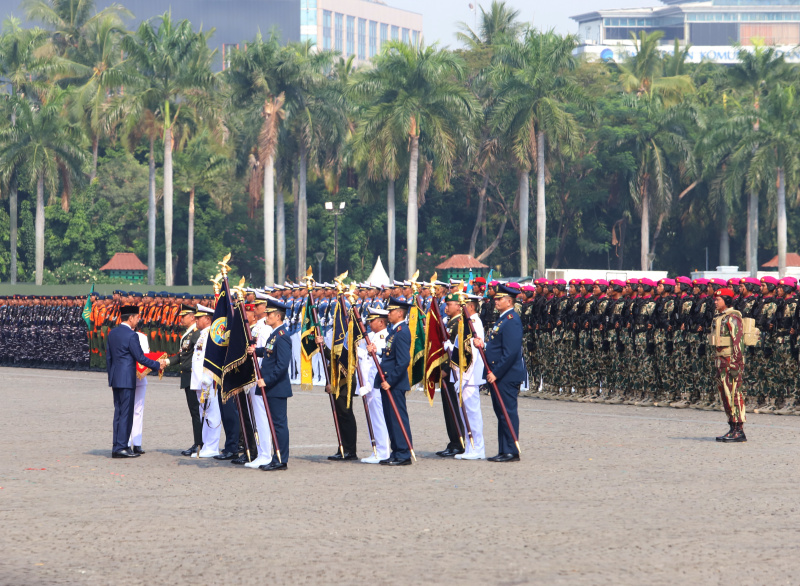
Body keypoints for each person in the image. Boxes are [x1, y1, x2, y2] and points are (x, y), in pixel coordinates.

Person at [474, 283, 524, 462]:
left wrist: (496, 372)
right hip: (498, 373)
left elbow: (510, 352)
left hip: (506, 375)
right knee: (500, 412)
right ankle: (504, 449)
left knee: (507, 411)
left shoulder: (511, 320)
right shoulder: (503, 319)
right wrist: (484, 345)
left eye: (499, 299)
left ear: (509, 301)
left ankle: (511, 450)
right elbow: (497, 347)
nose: (496, 301)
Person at [106, 305, 164, 458]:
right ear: (130, 318)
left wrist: (111, 377)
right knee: (126, 413)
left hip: (116, 378)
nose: (138, 320)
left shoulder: (112, 333)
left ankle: (116, 445)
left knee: (118, 413)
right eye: (137, 317)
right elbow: (140, 357)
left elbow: (109, 358)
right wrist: (158, 364)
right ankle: (122, 447)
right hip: (127, 379)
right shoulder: (132, 335)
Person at [365, 296, 413, 466]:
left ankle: (403, 454)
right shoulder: (395, 331)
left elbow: (403, 361)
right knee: (390, 419)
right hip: (388, 382)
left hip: (395, 383)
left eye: (391, 311)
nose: (389, 314)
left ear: (400, 313)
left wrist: (390, 381)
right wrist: (377, 352)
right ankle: (396, 451)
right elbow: (390, 354)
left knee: (398, 417)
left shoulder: (402, 332)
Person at [250, 297, 293, 471]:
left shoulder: (282, 336)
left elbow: (282, 365)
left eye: (269, 314)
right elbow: (269, 353)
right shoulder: (275, 334)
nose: (266, 316)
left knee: (278, 424)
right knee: (274, 423)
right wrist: (256, 351)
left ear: (277, 316)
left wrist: (266, 380)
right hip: (271, 386)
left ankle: (281, 459)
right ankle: (276, 457)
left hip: (276, 387)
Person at [166, 304, 204, 456]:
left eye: (184, 316)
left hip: (194, 377)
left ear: (192, 317)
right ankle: (199, 442)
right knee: (195, 412)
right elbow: (182, 355)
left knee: (197, 412)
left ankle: (199, 443)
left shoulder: (196, 334)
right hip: (188, 377)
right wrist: (166, 362)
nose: (181, 319)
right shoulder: (189, 334)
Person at [710, 288, 747, 442]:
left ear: (726, 300)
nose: (715, 302)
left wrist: (736, 364)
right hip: (721, 361)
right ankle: (732, 427)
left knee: (734, 395)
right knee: (725, 396)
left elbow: (738, 342)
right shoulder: (720, 317)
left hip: (731, 363)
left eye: (719, 299)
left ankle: (739, 430)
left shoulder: (732, 318)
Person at [358, 307, 392, 464]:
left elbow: (377, 364)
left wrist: (370, 386)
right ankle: (378, 450)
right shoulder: (372, 336)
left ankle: (383, 452)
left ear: (381, 322)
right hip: (368, 385)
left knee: (379, 419)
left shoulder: (384, 337)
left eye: (372, 321)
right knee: (373, 418)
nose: (369, 323)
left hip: (375, 386)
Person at [454, 293, 486, 460]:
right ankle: (470, 447)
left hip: (470, 377)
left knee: (472, 414)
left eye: (463, 305)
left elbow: (473, 351)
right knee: (464, 413)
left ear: (471, 307)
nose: (460, 308)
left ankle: (477, 448)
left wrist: (464, 377)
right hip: (465, 376)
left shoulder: (474, 323)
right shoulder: (465, 322)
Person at [192, 305, 220, 458]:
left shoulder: (212, 334)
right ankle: (205, 445)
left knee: (212, 413)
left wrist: (209, 376)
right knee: (205, 412)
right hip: (199, 381)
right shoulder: (203, 334)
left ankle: (212, 446)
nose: (195, 320)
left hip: (208, 380)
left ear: (208, 319)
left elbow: (213, 358)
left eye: (199, 318)